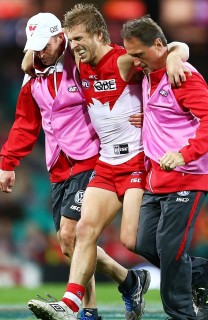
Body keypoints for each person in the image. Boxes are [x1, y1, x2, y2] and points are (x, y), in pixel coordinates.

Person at [20, 4, 192, 320]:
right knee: (83, 230)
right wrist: (30, 56)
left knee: (132, 241)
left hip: (137, 162)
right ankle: (74, 306)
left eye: (79, 39)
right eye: (70, 41)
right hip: (106, 163)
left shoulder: (123, 61)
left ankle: (191, 276)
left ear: (99, 35)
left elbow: (171, 50)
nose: (74, 47)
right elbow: (41, 58)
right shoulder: (77, 64)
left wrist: (174, 54)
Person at [121, 15, 208, 320]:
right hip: (157, 179)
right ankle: (203, 275)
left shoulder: (182, 75)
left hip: (188, 176)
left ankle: (183, 315)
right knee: (142, 242)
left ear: (158, 45)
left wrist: (185, 154)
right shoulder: (151, 72)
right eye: (130, 55)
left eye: (139, 55)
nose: (135, 62)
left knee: (171, 251)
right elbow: (169, 114)